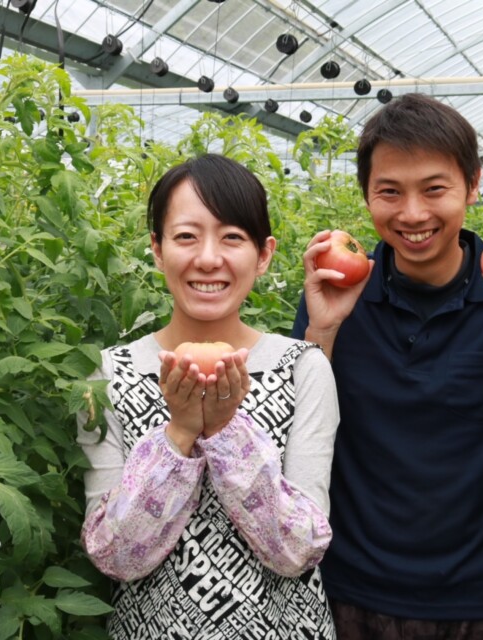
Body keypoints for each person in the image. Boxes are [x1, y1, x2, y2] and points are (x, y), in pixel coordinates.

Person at [291, 93, 483, 640]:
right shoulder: (336, 292)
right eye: (389, 192)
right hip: (345, 592)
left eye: (434, 189)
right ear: (366, 196)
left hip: (475, 598)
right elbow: (292, 459)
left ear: (472, 186)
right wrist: (321, 336)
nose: (412, 214)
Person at [78, 153, 339, 639]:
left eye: (232, 237)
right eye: (185, 236)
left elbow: (301, 547)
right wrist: (179, 433)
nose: (208, 258)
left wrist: (223, 432)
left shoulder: (302, 368)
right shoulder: (109, 374)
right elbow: (113, 554)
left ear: (263, 255)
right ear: (156, 249)